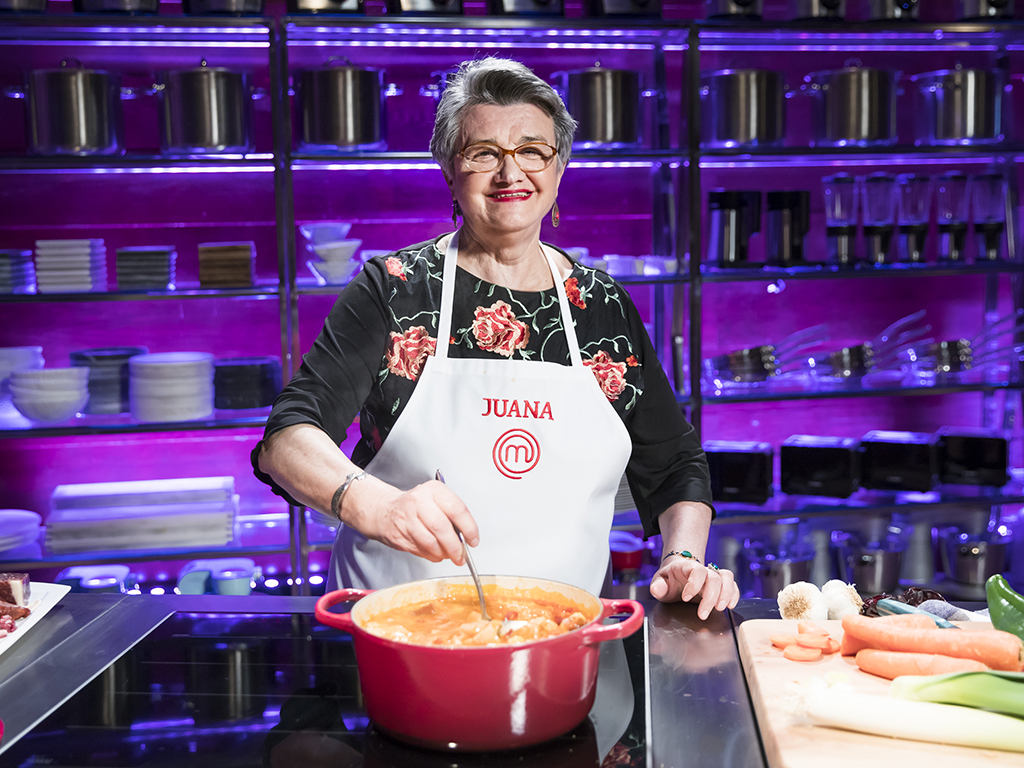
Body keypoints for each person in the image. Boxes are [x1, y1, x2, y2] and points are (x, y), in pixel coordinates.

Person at [252, 57, 739, 619]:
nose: (511, 175)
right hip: (396, 636)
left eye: (533, 151)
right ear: (449, 172)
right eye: (483, 154)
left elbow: (676, 463)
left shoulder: (602, 307)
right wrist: (373, 504)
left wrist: (681, 555)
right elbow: (286, 439)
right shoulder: (396, 291)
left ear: (559, 170)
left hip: (566, 641)